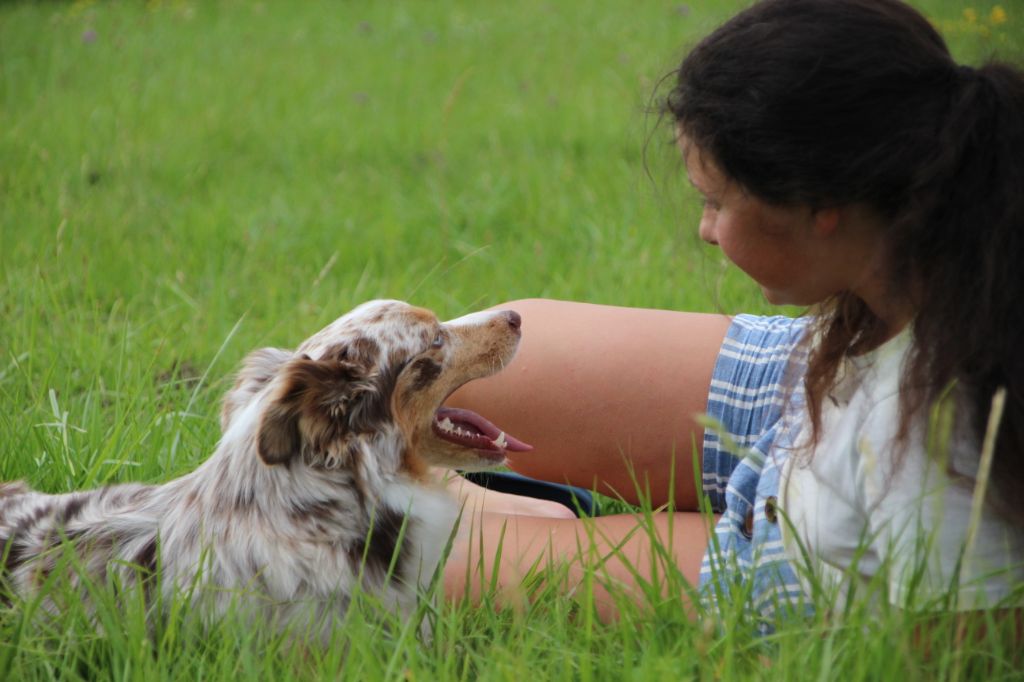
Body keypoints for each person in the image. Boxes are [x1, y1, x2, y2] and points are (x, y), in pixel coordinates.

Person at [440, 0, 1024, 627]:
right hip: (805, 386)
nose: (706, 230)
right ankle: (490, 502)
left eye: (716, 201)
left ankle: (505, 507)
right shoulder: (940, 265)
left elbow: (959, 644)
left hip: (789, 556)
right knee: (394, 391)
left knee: (368, 555)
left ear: (819, 204)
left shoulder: (943, 435)